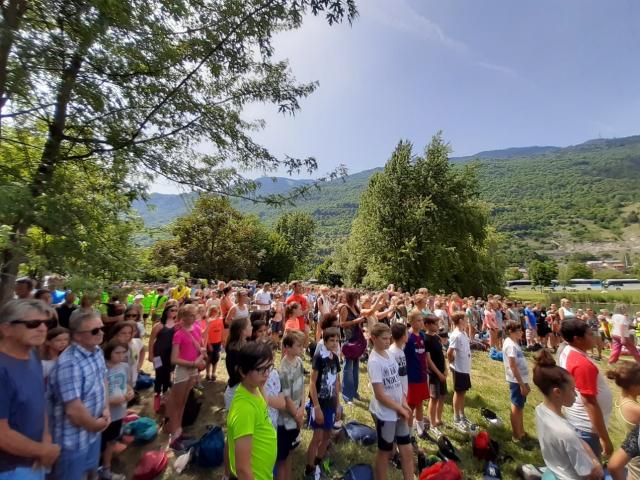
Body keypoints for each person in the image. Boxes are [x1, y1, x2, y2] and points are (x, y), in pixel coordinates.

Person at [0, 299, 60, 480]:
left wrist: (46, 438)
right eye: (33, 324)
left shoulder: (32, 354)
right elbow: (2, 434)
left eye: (46, 323)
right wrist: (43, 451)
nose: (43, 329)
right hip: (9, 470)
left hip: (34, 461)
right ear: (6, 329)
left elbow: (38, 401)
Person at [48, 309, 110, 480]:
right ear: (76, 336)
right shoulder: (69, 364)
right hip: (72, 442)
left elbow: (102, 379)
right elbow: (74, 411)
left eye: (101, 328)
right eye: (95, 330)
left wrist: (106, 408)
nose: (101, 333)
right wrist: (96, 425)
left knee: (91, 472)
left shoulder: (96, 351)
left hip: (93, 432)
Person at [533, 349, 603, 480]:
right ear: (557, 392)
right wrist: (597, 466)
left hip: (554, 470)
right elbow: (589, 473)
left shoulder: (540, 410)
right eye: (572, 390)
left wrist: (593, 458)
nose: (576, 395)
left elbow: (578, 440)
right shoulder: (565, 433)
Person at [558, 319, 613, 459]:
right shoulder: (582, 364)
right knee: (591, 470)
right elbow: (589, 402)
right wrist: (604, 438)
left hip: (579, 423)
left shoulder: (567, 350)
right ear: (577, 339)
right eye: (589, 334)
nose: (593, 337)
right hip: (587, 428)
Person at [368, 323, 413, 480]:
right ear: (373, 338)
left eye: (389, 338)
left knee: (407, 449)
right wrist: (399, 409)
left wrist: (404, 403)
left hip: (398, 409)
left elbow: (397, 383)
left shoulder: (390, 354)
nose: (388, 342)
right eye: (384, 339)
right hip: (386, 414)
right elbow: (380, 394)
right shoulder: (374, 361)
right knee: (385, 452)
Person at [227, 342, 277, 480]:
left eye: (269, 367)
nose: (267, 374)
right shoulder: (244, 409)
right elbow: (242, 468)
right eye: (261, 369)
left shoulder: (254, 389)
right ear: (243, 372)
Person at [164, 304, 206, 450]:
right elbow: (174, 359)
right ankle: (174, 437)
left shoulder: (196, 328)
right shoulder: (179, 334)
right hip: (183, 369)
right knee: (176, 403)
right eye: (190, 315)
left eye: (195, 314)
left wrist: (201, 355)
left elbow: (200, 345)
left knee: (183, 402)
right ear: (183, 317)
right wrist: (192, 362)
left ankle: (178, 431)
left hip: (193, 369)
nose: (194, 317)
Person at [306, 327, 341, 480]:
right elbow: (312, 383)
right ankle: (309, 468)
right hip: (320, 403)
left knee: (327, 434)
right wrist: (316, 407)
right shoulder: (319, 357)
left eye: (337, 340)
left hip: (331, 403)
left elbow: (337, 381)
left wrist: (338, 403)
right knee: (318, 436)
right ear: (325, 341)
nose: (334, 343)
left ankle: (317, 462)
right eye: (331, 340)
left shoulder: (335, 358)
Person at [100, 339, 133, 480]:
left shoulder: (125, 366)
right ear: (108, 352)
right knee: (101, 442)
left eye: (123, 353)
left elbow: (127, 384)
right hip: (104, 413)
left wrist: (130, 392)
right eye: (117, 352)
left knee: (112, 441)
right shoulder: (102, 368)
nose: (121, 356)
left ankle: (106, 468)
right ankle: (97, 468)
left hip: (119, 411)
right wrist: (110, 401)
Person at [276, 330, 306, 480]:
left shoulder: (299, 362)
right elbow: (286, 398)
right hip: (287, 419)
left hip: (297, 413)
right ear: (287, 348)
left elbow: (302, 386)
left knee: (291, 452)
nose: (302, 348)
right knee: (283, 457)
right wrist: (297, 415)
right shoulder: (284, 369)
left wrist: (302, 407)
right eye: (298, 346)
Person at [606, 361, 640, 479]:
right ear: (634, 386)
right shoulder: (634, 408)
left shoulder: (621, 400)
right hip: (637, 454)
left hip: (630, 450)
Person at [502, 321, 532, 445]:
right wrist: (521, 384)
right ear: (511, 331)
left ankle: (521, 431)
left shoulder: (515, 343)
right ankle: (516, 434)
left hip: (521, 380)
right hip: (516, 381)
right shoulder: (510, 345)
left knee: (520, 407)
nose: (522, 332)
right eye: (519, 330)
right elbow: (513, 366)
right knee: (516, 407)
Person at [148, 300, 178, 413]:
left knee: (167, 375)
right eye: (172, 310)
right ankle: (157, 394)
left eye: (176, 310)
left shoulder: (177, 325)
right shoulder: (159, 325)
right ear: (166, 311)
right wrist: (150, 355)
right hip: (158, 355)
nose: (174, 312)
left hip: (170, 355)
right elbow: (151, 341)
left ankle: (165, 396)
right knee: (159, 374)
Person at [403, 310, 429, 438]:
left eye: (421, 320)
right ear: (411, 322)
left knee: (420, 404)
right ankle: (408, 432)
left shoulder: (423, 336)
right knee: (411, 405)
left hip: (422, 375)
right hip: (412, 377)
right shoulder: (407, 337)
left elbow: (424, 355)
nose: (421, 323)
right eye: (418, 320)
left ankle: (420, 429)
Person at [448, 312, 473, 432]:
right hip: (458, 368)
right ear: (460, 321)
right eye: (465, 319)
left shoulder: (463, 333)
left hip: (465, 368)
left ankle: (462, 415)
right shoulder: (456, 335)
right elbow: (449, 352)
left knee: (463, 392)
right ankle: (456, 417)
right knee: (458, 392)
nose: (467, 320)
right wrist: (452, 363)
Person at [339, 290, 366, 402]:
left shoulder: (356, 307)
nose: (356, 299)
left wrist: (361, 323)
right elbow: (342, 324)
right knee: (347, 368)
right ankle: (346, 395)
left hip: (357, 339)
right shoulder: (345, 308)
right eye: (354, 297)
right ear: (350, 297)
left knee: (355, 367)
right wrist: (356, 321)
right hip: (349, 340)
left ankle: (354, 392)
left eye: (357, 297)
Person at [424, 314, 447, 434]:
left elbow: (442, 354)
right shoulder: (426, 339)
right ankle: (432, 423)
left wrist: (446, 369)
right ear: (427, 325)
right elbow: (428, 359)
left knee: (442, 395)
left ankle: (438, 419)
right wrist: (438, 373)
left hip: (442, 372)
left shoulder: (437, 337)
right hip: (434, 373)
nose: (438, 326)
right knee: (434, 398)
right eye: (435, 324)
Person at [285, 281, 310, 346]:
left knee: (302, 339)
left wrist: (306, 320)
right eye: (299, 286)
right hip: (292, 324)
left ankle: (302, 351)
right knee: (293, 341)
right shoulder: (289, 299)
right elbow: (287, 313)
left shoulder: (303, 298)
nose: (300, 287)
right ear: (294, 287)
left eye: (300, 286)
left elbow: (304, 311)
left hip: (301, 322)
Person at [205, 305, 224, 382]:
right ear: (210, 312)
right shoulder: (208, 321)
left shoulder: (220, 320)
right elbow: (207, 334)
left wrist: (222, 340)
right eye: (213, 311)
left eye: (216, 311)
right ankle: (207, 374)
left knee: (216, 358)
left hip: (218, 342)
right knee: (209, 359)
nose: (215, 313)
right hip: (210, 343)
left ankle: (213, 373)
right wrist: (209, 344)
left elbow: (222, 330)